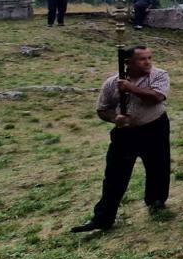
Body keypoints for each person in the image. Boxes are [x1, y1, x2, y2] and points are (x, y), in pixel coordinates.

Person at [70, 45, 170, 233]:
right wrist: (115, 118)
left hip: (154, 127)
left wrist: (130, 88)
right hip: (125, 133)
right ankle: (103, 217)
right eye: (142, 59)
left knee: (158, 166)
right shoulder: (112, 83)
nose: (148, 62)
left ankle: (156, 201)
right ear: (128, 63)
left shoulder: (158, 75)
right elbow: (102, 109)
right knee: (115, 174)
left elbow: (156, 97)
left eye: (150, 57)